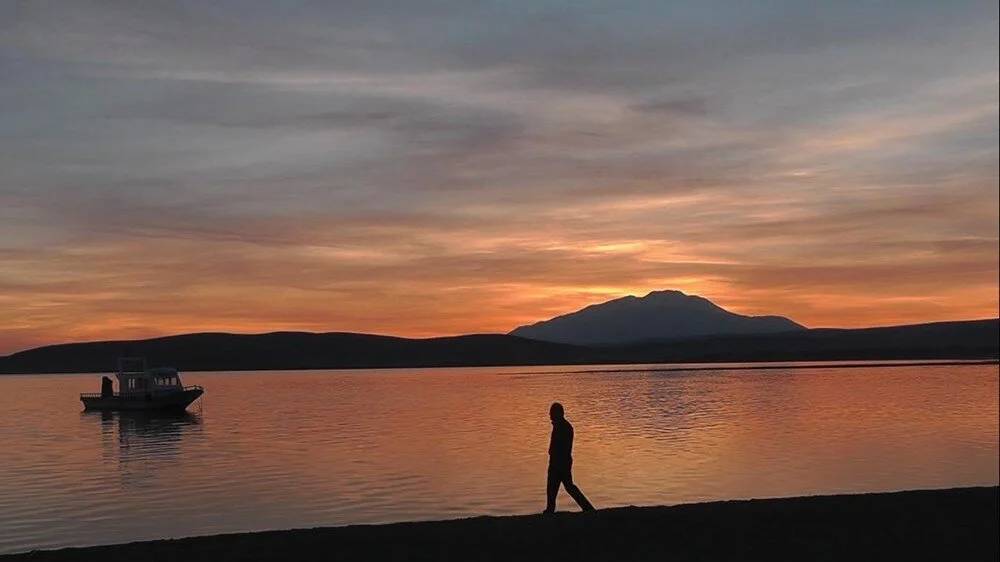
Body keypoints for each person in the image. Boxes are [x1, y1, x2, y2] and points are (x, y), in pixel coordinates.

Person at [544, 402, 595, 514]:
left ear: (558, 413)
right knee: (557, 487)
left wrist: (556, 458)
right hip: (559, 462)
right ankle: (587, 508)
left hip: (560, 463)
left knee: (563, 486)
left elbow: (563, 447)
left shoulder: (564, 427)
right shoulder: (560, 426)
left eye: (552, 413)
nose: (550, 415)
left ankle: (588, 508)